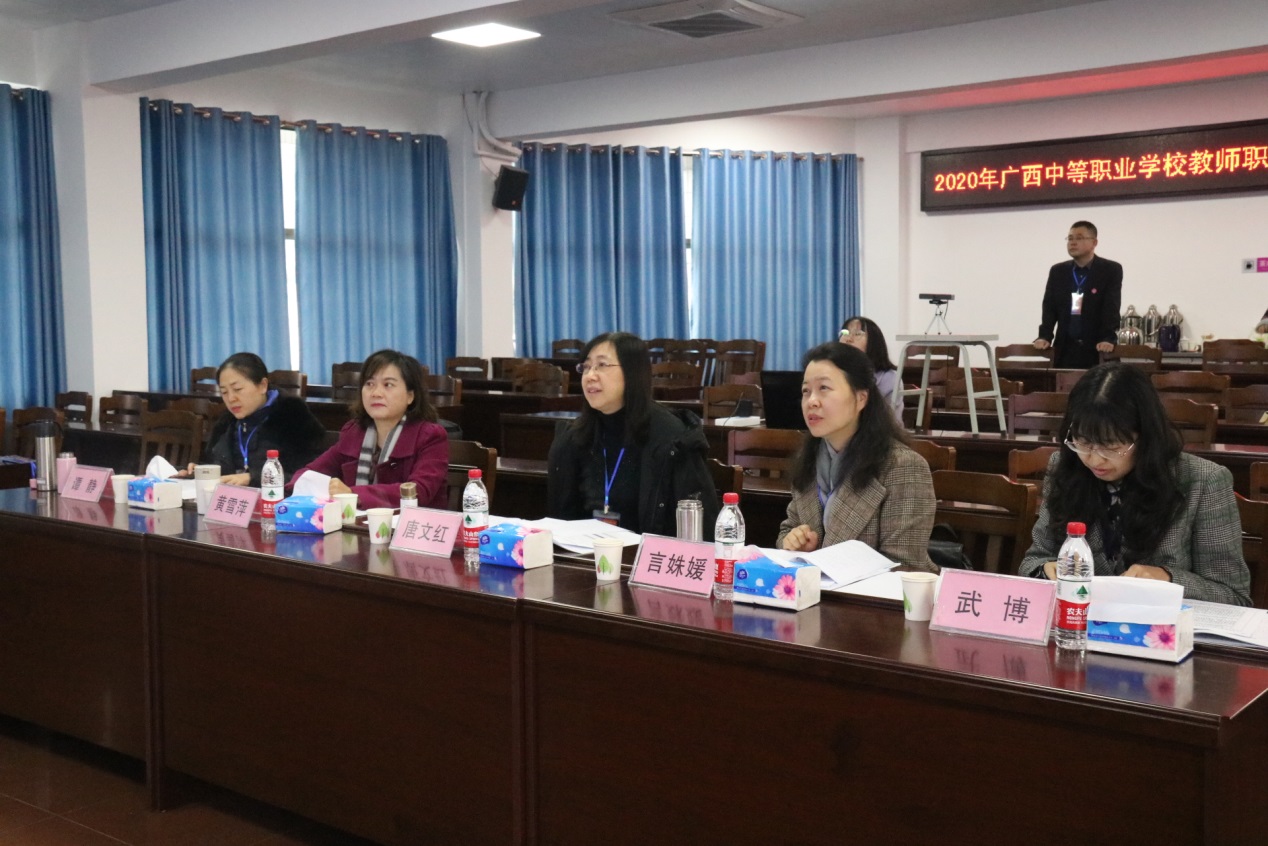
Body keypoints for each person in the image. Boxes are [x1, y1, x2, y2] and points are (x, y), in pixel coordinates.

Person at [1018, 363, 1251, 606]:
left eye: (1111, 447)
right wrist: (1046, 570)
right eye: (1083, 442)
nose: (1094, 459)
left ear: (1146, 437)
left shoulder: (1203, 481)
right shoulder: (1066, 466)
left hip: (1161, 626)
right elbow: (1034, 560)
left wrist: (1168, 579)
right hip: (1080, 621)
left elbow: (1234, 596)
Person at [777, 342, 936, 569]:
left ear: (861, 398)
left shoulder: (903, 466)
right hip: (816, 587)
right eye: (806, 391)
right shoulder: (810, 458)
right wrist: (794, 542)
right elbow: (788, 529)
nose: (812, 401)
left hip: (874, 592)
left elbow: (905, 566)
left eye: (824, 388)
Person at [547, 332, 718, 538]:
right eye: (586, 367)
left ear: (632, 372)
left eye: (602, 365)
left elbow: (701, 528)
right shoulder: (573, 438)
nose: (590, 376)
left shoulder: (673, 438)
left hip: (649, 555)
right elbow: (561, 522)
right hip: (587, 554)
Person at [293, 349, 448, 509]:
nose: (376, 393)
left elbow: (418, 491)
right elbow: (309, 473)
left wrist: (353, 495)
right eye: (369, 384)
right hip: (360, 522)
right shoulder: (354, 432)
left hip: (414, 523)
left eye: (388, 385)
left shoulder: (430, 436)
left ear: (410, 396)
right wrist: (303, 486)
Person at [187, 352, 326, 487]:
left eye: (237, 389)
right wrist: (202, 471)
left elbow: (310, 477)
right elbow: (221, 466)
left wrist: (254, 478)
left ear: (262, 386)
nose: (231, 398)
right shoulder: (226, 424)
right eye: (224, 392)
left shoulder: (294, 419)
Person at [1034, 220, 1122, 368]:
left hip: (1097, 348)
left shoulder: (1110, 269)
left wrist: (1108, 338)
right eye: (1070, 238)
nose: (1073, 243)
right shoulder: (1058, 271)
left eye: (1079, 238)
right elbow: (1049, 306)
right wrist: (1045, 336)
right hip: (1064, 349)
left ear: (1094, 242)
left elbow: (1111, 307)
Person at [839, 316, 903, 420]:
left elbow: (886, 420)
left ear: (873, 342)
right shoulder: (833, 372)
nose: (848, 338)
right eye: (845, 333)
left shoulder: (889, 378)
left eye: (857, 334)